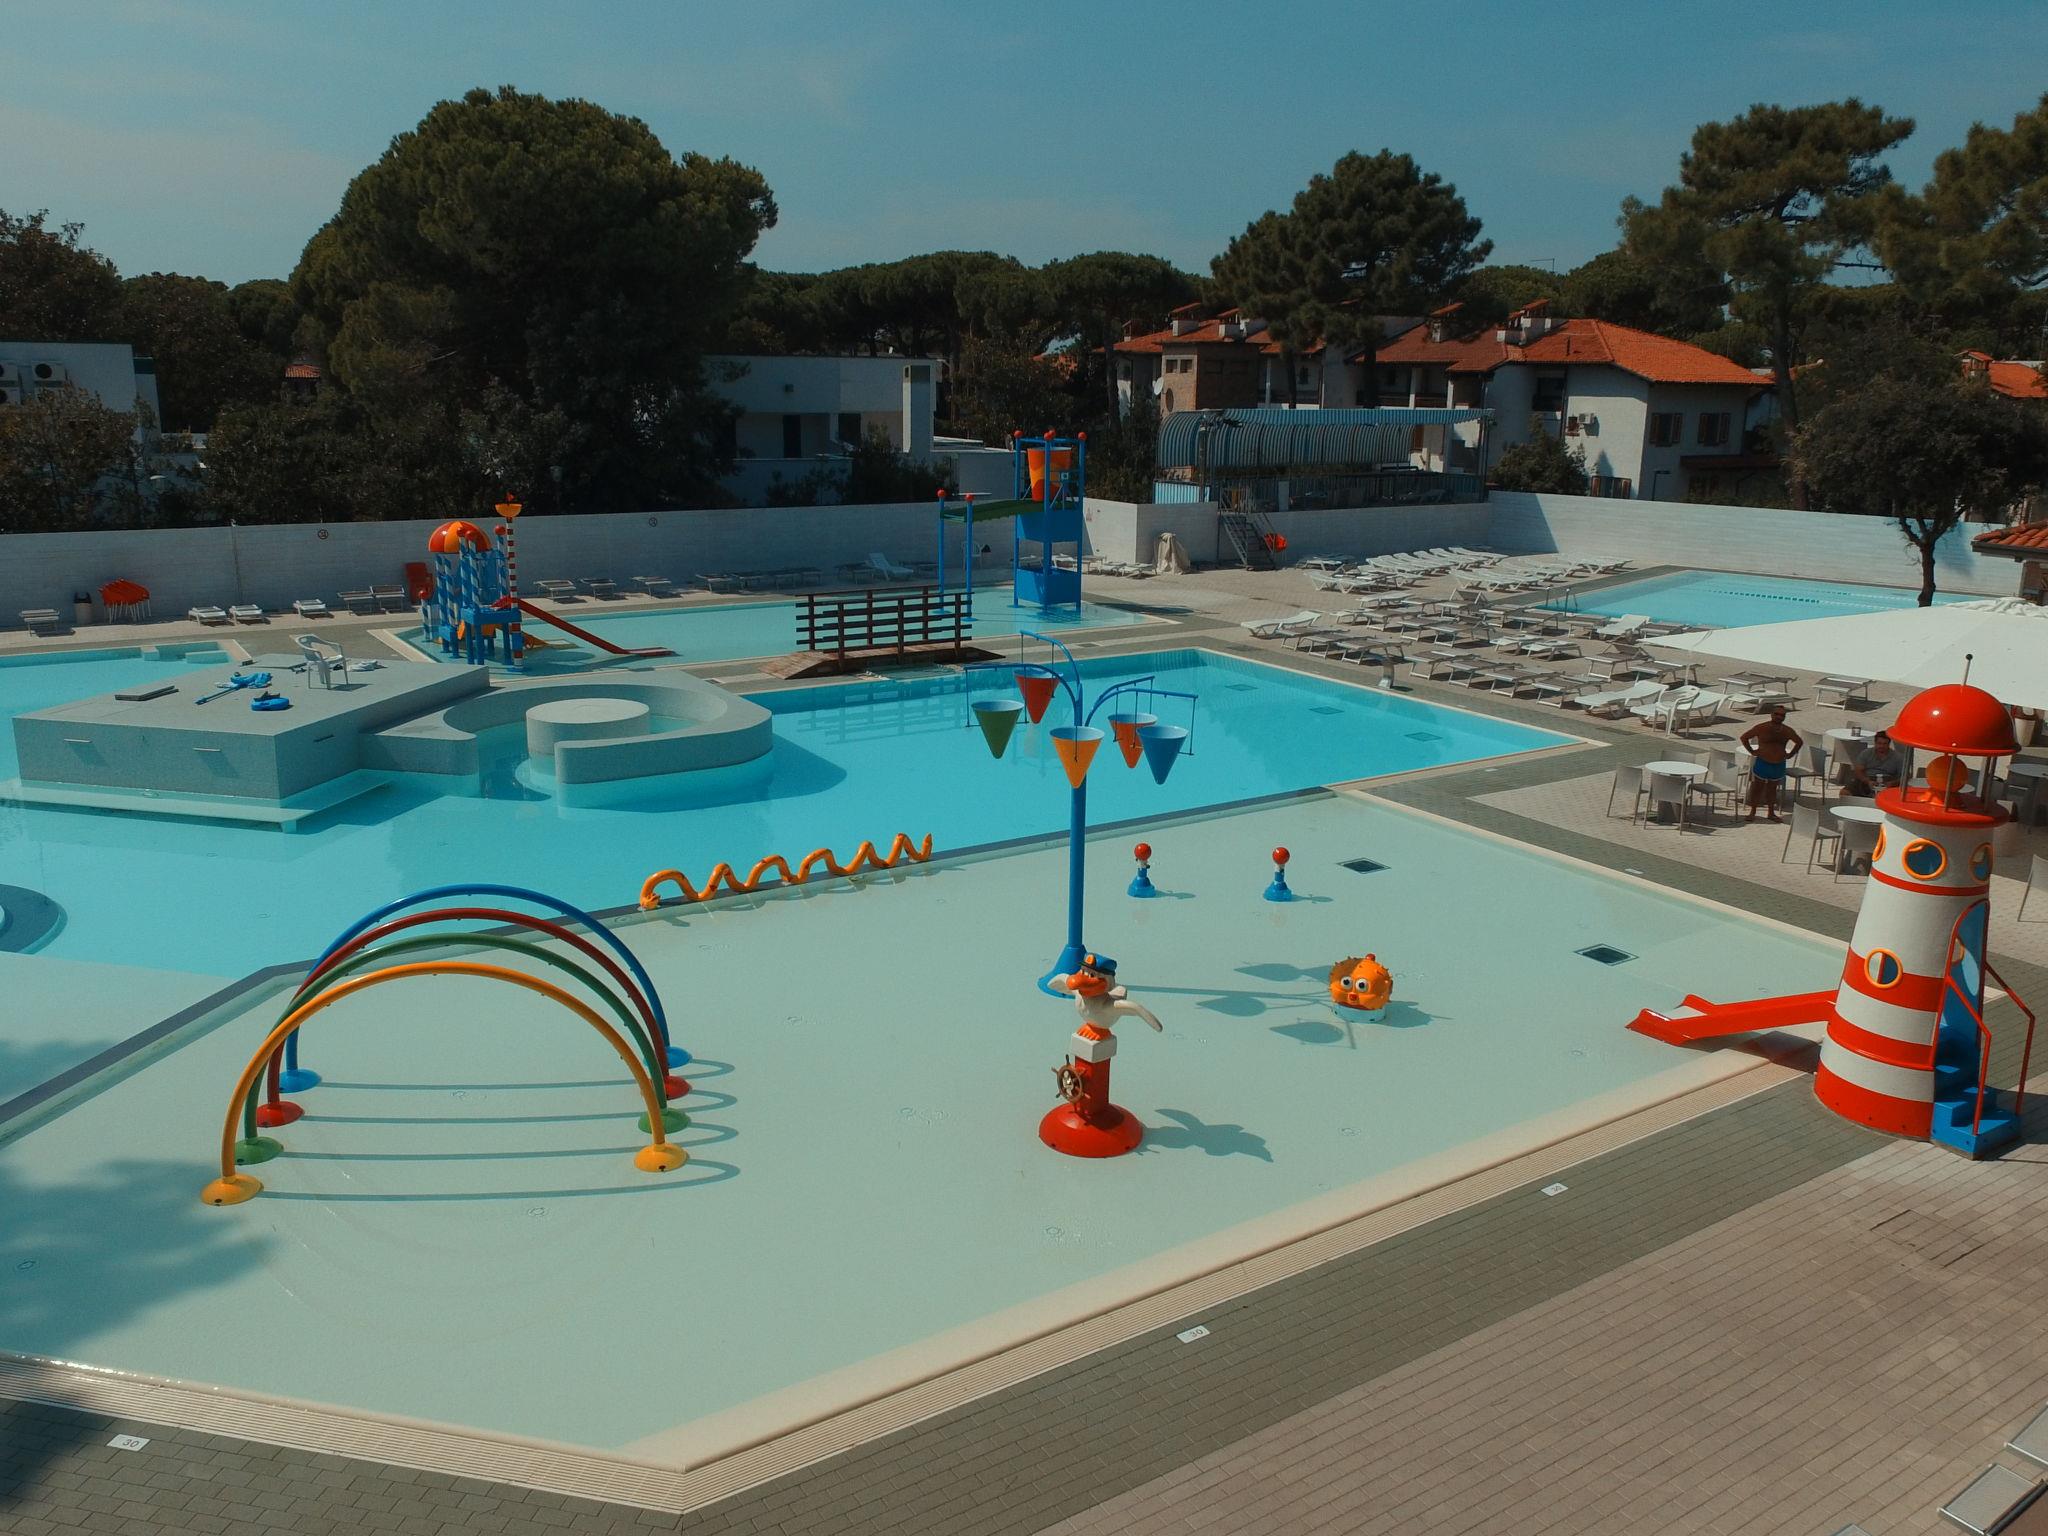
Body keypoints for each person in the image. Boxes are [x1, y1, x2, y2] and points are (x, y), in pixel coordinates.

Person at [1739, 706, 1804, 822]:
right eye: (1776, 714)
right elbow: (1744, 737)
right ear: (1771, 714)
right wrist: (1752, 751)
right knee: (1757, 788)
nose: (1779, 717)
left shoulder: (1787, 730)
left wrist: (1791, 754)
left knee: (1773, 789)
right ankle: (1752, 812)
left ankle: (1771, 813)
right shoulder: (1761, 727)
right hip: (1763, 762)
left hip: (1778, 764)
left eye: (1782, 715)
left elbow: (1799, 742)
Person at [1842, 731, 1905, 797]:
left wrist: (1892, 783)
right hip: (1867, 779)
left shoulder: (1897, 757)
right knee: (1844, 792)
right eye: (1879, 743)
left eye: (1885, 744)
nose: (1882, 746)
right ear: (1875, 743)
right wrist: (1867, 781)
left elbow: (1905, 776)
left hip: (1888, 781)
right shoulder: (1866, 753)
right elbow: (1858, 770)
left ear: (1889, 744)